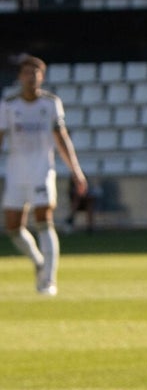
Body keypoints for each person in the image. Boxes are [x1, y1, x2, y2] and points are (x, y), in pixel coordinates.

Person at [2, 56, 87, 296]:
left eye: (36, 73)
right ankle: (39, 260)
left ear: (42, 77)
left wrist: (76, 172)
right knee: (13, 227)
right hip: (16, 174)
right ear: (20, 77)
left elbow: (61, 139)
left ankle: (48, 281)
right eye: (27, 73)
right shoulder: (9, 105)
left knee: (44, 221)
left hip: (42, 171)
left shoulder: (50, 104)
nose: (31, 77)